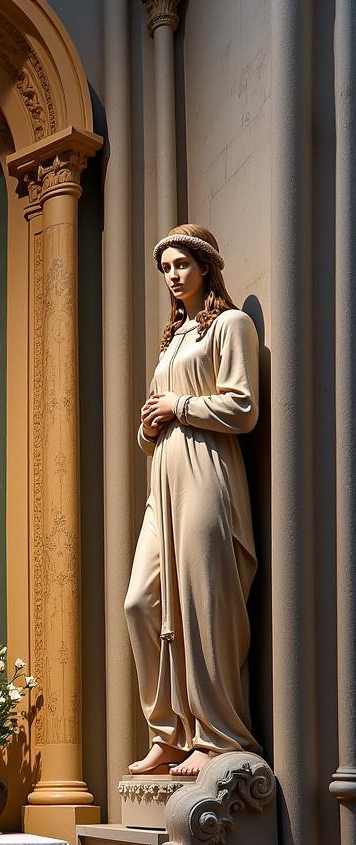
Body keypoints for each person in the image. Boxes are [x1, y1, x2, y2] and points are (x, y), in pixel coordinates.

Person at [125, 225, 260, 777]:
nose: (173, 276)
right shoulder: (174, 338)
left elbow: (244, 406)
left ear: (205, 266)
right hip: (165, 475)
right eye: (166, 269)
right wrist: (150, 425)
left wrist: (179, 407)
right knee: (141, 602)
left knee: (204, 600)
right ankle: (169, 733)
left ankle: (218, 735)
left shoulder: (231, 325)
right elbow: (159, 413)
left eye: (182, 265)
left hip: (207, 471)